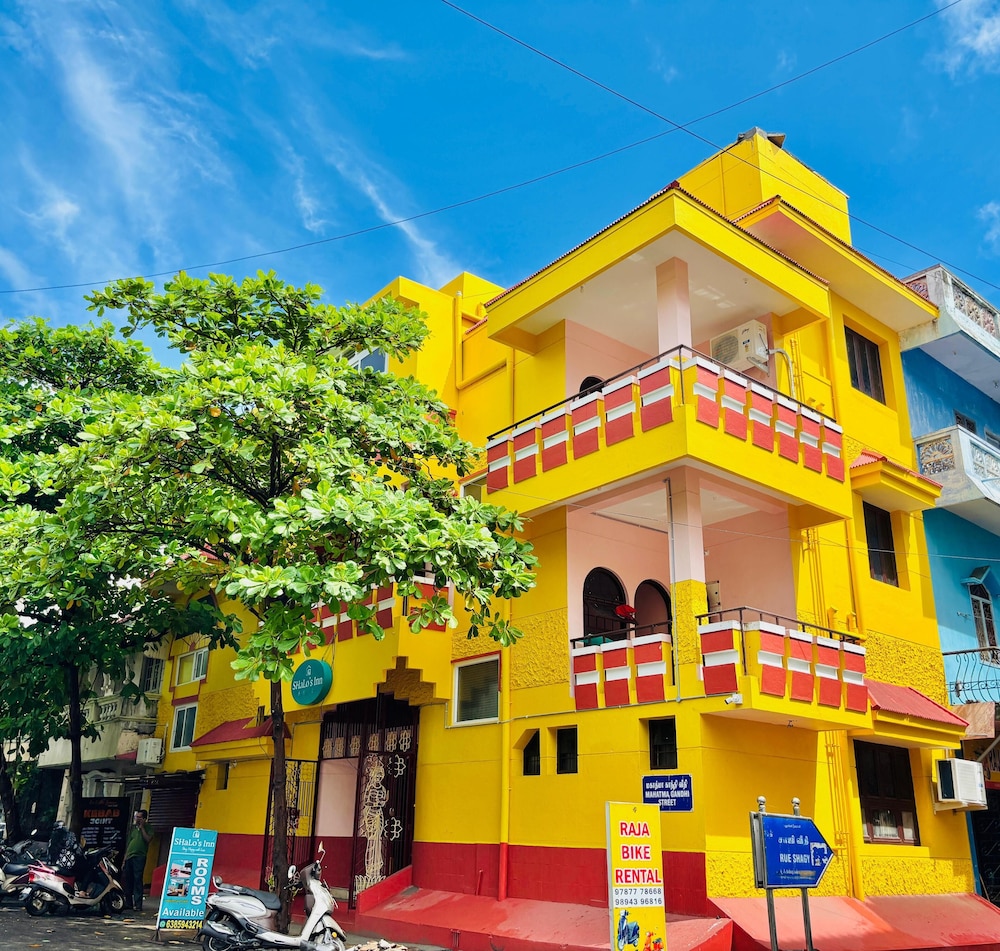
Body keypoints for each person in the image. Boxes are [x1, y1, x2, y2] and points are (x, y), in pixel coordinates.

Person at [121, 809, 152, 912]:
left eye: (139, 817)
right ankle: (128, 903)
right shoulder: (133, 829)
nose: (137, 819)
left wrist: (142, 827)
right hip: (130, 856)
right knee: (128, 880)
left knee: (137, 879)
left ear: (144, 818)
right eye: (136, 817)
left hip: (139, 856)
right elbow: (129, 844)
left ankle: (138, 904)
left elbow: (148, 839)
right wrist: (124, 859)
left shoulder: (148, 828)